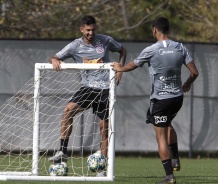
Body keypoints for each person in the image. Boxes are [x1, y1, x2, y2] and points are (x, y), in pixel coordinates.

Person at [111, 17, 198, 184]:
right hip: (177, 98)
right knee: (168, 125)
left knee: (161, 137)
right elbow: (194, 72)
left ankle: (169, 177)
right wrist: (187, 84)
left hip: (160, 100)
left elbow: (133, 65)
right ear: (168, 29)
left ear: (154, 30)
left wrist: (119, 68)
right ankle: (175, 158)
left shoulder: (151, 49)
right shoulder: (180, 47)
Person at [48, 15, 126, 177]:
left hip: (105, 89)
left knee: (104, 129)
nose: (91, 33)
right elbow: (55, 57)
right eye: (88, 30)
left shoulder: (105, 40)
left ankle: (102, 169)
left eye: (93, 29)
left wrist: (120, 69)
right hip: (88, 89)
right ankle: (62, 151)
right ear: (82, 29)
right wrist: (55, 60)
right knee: (68, 110)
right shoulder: (75, 45)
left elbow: (122, 50)